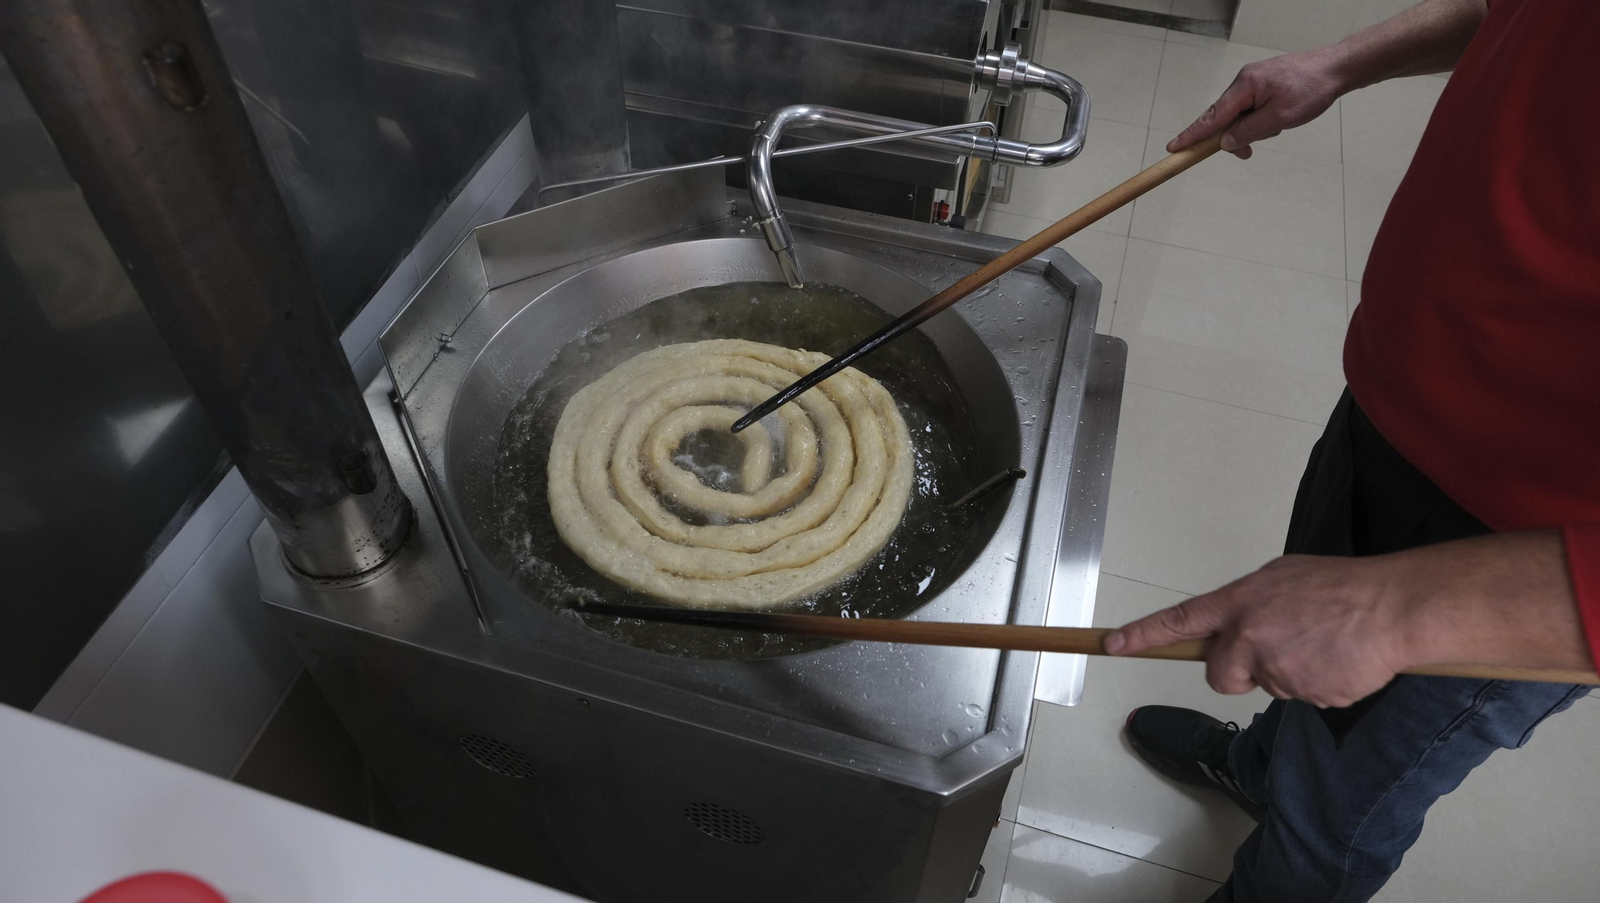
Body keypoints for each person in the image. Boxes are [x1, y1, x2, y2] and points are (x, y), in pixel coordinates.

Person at [1102, 1, 1600, 900]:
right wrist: (1341, 63)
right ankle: (1262, 765)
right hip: (1397, 392)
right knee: (1303, 667)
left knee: (1329, 819)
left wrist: (1397, 610)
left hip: (1526, 546)